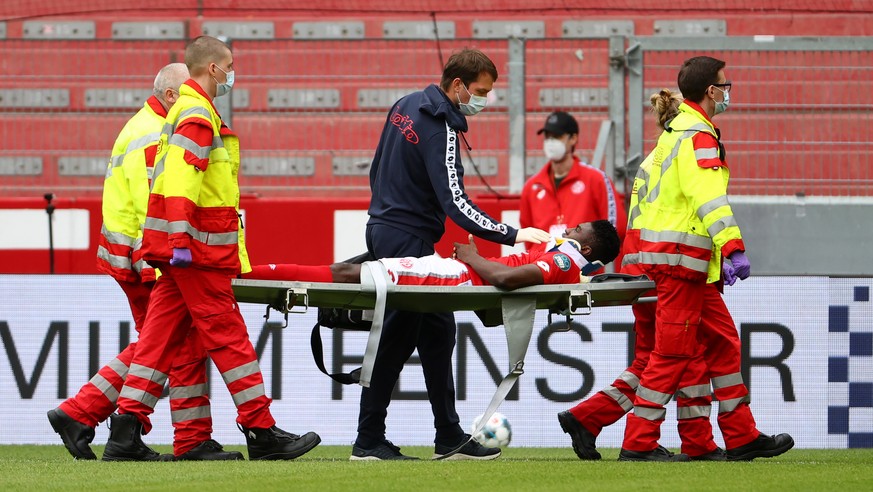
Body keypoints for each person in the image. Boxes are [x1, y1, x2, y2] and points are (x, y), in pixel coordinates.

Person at [102, 35, 320, 462]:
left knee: (157, 341)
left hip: (180, 248)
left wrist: (175, 239)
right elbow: (183, 181)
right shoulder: (199, 113)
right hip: (198, 250)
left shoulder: (182, 109)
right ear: (213, 68)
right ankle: (260, 430)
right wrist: (182, 238)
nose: (232, 73)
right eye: (230, 65)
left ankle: (124, 431)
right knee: (230, 337)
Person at [358, 48, 551, 461]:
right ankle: (370, 439)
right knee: (399, 335)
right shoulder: (441, 125)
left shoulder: (404, 105)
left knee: (437, 331)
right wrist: (512, 233)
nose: (485, 100)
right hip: (406, 238)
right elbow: (455, 201)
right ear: (458, 85)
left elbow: (376, 169)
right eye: (481, 91)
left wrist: (387, 216)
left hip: (387, 229)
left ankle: (446, 435)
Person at [47, 63, 240, 461]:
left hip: (133, 256)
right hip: (148, 260)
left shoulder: (144, 126)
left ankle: (84, 414)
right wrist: (161, 262)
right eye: (187, 91)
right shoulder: (158, 132)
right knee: (168, 344)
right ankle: (186, 438)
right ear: (171, 95)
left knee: (166, 344)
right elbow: (153, 203)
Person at [618, 56, 793, 461]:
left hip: (672, 259)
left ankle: (740, 436)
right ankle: (638, 443)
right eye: (724, 85)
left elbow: (643, 199)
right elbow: (708, 200)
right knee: (672, 355)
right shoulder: (697, 134)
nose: (728, 91)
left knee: (722, 342)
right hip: (680, 262)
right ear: (711, 91)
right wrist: (732, 247)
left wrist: (641, 257)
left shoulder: (672, 134)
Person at [558, 90, 726, 462]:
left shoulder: (654, 159)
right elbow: (697, 211)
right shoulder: (683, 153)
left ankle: (587, 417)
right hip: (667, 269)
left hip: (643, 268)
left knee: (651, 361)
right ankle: (691, 442)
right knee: (685, 355)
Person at [245, 220, 619, 289]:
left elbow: (506, 279)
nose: (567, 228)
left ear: (585, 248)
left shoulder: (564, 260)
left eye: (576, 230)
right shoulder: (563, 258)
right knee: (347, 270)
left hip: (455, 277)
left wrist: (471, 256)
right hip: (453, 273)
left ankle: (246, 275)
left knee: (345, 273)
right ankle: (249, 274)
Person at [520, 111, 627, 266]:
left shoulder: (595, 179)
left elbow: (616, 228)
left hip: (585, 272)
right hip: (543, 269)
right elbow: (528, 235)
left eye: (557, 136)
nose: (550, 142)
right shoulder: (532, 186)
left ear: (573, 138)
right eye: (547, 136)